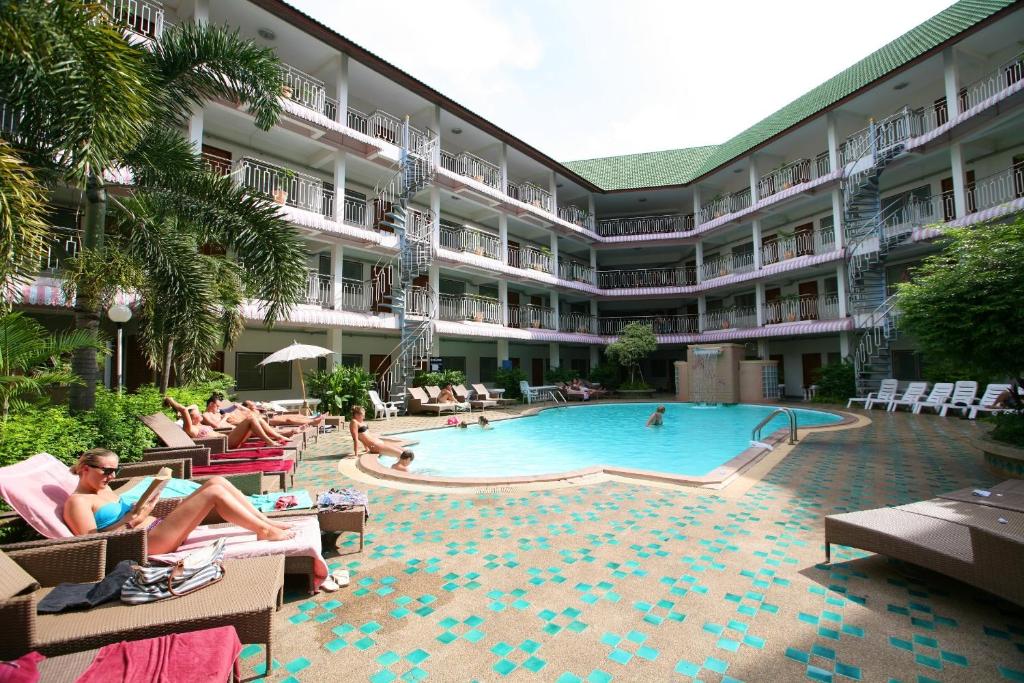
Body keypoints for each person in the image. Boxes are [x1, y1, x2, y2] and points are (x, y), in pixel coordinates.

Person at [63, 448, 294, 554]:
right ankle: (264, 530)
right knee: (213, 494)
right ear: (85, 469)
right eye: (106, 471)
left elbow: (125, 515)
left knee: (216, 481)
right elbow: (90, 546)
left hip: (155, 528)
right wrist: (132, 520)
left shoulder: (102, 490)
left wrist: (145, 505)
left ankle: (266, 521)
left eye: (116, 470)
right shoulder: (78, 502)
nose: (112, 476)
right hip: (147, 542)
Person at [164, 396, 285, 449]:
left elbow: (193, 406)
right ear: (190, 417)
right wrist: (170, 400)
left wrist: (180, 412)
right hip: (226, 443)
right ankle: (270, 441)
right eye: (195, 412)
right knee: (251, 419)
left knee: (255, 418)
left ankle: (278, 436)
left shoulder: (198, 424)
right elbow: (184, 410)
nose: (198, 412)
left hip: (228, 439)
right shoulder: (190, 428)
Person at [350, 405, 414, 460]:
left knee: (404, 451)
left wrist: (366, 449)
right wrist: (356, 454)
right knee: (401, 454)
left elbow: (364, 436)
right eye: (362, 415)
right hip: (374, 446)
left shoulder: (361, 422)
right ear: (356, 415)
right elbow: (356, 439)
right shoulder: (354, 422)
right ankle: (398, 468)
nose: (364, 417)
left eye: (364, 415)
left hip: (379, 442)